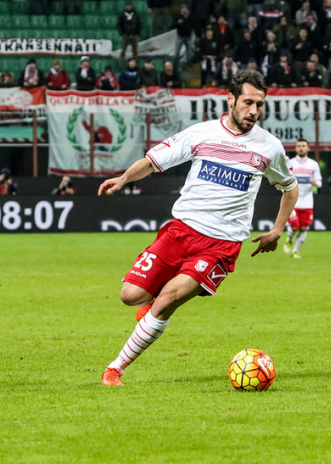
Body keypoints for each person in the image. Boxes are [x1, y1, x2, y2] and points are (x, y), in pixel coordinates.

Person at [97, 70, 298, 386]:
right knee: (130, 295)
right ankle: (152, 301)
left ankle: (115, 368)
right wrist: (124, 178)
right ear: (230, 99)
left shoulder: (269, 147)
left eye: (260, 105)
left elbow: (289, 187)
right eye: (248, 102)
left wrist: (276, 231)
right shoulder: (201, 134)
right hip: (180, 231)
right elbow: (153, 161)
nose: (254, 111)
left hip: (221, 245)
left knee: (168, 300)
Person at [283, 139, 322, 258]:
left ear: (308, 148)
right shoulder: (290, 163)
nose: (301, 148)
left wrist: (315, 182)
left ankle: (295, 251)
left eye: (303, 146)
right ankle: (289, 239)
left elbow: (320, 183)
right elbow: (283, 180)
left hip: (307, 201)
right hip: (293, 201)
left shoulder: (313, 164)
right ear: (296, 148)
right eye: (299, 146)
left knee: (303, 228)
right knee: (295, 227)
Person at [118, 1, 142, 66]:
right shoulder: (122, 15)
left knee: (135, 50)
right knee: (123, 50)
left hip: (134, 35)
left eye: (129, 6)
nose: (128, 7)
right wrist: (122, 33)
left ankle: (136, 63)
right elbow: (119, 24)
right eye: (127, 6)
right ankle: (121, 63)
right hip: (125, 35)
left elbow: (139, 24)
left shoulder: (136, 14)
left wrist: (137, 33)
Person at [174, 3, 194, 68]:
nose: (184, 9)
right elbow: (173, 25)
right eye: (182, 8)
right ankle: (175, 65)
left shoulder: (190, 16)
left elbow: (193, 24)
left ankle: (189, 64)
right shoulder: (178, 16)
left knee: (189, 52)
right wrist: (178, 23)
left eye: (185, 8)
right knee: (177, 51)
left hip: (188, 36)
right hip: (180, 36)